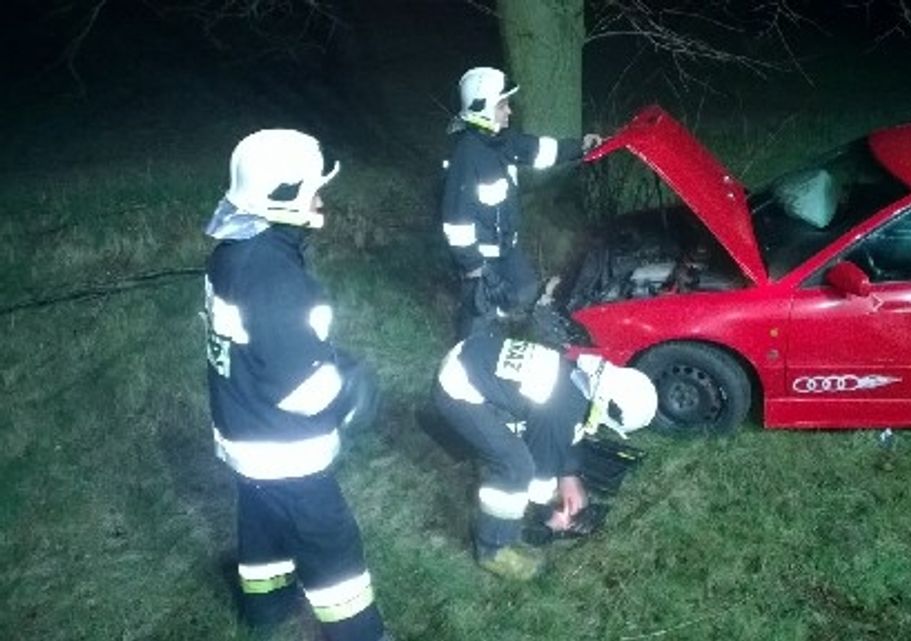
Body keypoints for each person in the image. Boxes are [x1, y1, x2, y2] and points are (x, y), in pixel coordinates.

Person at [202, 129, 390, 641]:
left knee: (261, 521)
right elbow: (302, 390)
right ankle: (360, 634)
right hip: (285, 447)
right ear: (281, 197)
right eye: (312, 190)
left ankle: (266, 609)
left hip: (244, 433)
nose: (321, 199)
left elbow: (263, 346)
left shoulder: (235, 249)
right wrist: (354, 391)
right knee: (331, 543)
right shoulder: (272, 275)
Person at [432, 326, 659, 580]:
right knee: (516, 466)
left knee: (519, 440)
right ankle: (492, 549)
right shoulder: (559, 409)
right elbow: (538, 473)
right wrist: (550, 516)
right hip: (456, 387)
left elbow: (570, 430)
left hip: (472, 355)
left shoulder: (580, 380)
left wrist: (569, 476)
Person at [440, 66, 603, 337]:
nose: (509, 112)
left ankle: (504, 326)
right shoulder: (467, 157)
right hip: (481, 261)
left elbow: (540, 150)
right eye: (502, 106)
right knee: (478, 317)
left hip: (507, 249)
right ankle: (471, 353)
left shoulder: (502, 141)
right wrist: (476, 270)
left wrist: (581, 147)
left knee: (526, 290)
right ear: (483, 109)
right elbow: (456, 225)